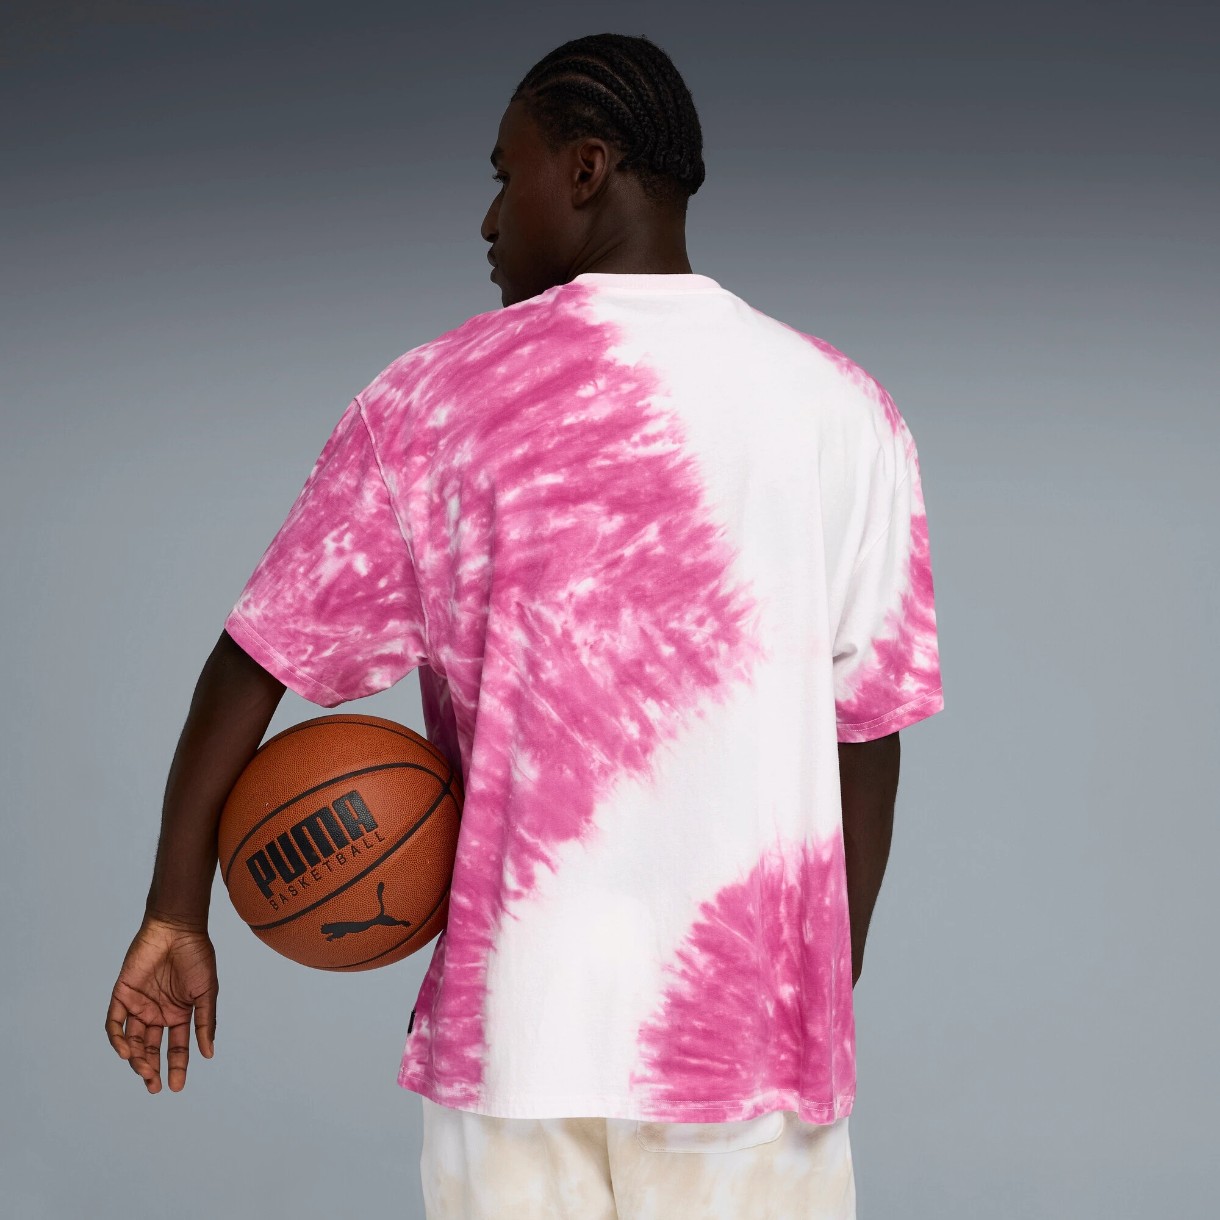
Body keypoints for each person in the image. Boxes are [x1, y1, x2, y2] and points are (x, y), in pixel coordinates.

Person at [105, 31, 944, 1220]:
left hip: (514, 1037)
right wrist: (818, 985)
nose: (489, 220)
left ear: (587, 169)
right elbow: (866, 733)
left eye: (506, 176)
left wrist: (176, 907)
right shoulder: (845, 410)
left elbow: (254, 658)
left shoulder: (428, 401)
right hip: (751, 1043)